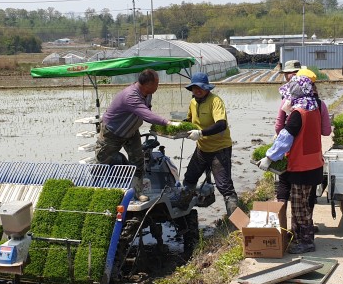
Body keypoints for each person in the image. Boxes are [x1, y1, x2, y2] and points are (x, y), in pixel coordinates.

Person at [259, 75, 324, 254]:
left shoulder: (299, 113)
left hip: (302, 167)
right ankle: (300, 237)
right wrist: (289, 112)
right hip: (314, 164)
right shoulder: (314, 107)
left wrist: (269, 157)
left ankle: (306, 242)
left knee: (299, 207)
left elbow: (286, 137)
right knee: (303, 204)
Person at [95, 68, 183, 195]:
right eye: (157, 83)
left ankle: (138, 192)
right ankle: (94, 190)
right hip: (112, 132)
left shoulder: (148, 94)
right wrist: (168, 123)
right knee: (101, 162)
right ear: (148, 84)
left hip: (131, 131)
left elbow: (148, 110)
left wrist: (160, 128)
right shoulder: (131, 95)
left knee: (138, 161)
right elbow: (146, 114)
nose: (158, 86)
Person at [177, 72, 239, 216]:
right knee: (189, 178)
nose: (198, 90)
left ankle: (236, 224)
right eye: (194, 88)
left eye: (201, 87)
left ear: (207, 88)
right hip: (202, 149)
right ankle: (181, 210)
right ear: (191, 89)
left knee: (225, 187)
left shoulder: (215, 101)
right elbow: (189, 121)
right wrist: (176, 127)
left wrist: (201, 133)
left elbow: (221, 124)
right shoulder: (193, 102)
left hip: (219, 149)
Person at [274, 67, 331, 223]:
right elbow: (326, 132)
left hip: (296, 160)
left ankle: (290, 232)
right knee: (307, 199)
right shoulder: (318, 105)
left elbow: (282, 131)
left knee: (294, 201)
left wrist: (272, 154)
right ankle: (305, 229)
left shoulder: (297, 110)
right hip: (314, 160)